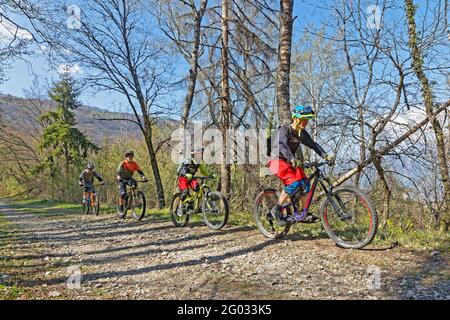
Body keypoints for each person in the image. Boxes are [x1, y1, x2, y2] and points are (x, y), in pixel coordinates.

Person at [268, 105, 334, 225]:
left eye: (307, 120)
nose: (306, 123)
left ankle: (303, 213)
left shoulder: (301, 133)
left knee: (305, 183)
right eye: (304, 120)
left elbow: (313, 145)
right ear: (296, 119)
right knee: (294, 183)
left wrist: (325, 156)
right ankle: (276, 209)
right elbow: (282, 145)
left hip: (288, 161)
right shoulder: (284, 129)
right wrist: (292, 158)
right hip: (275, 160)